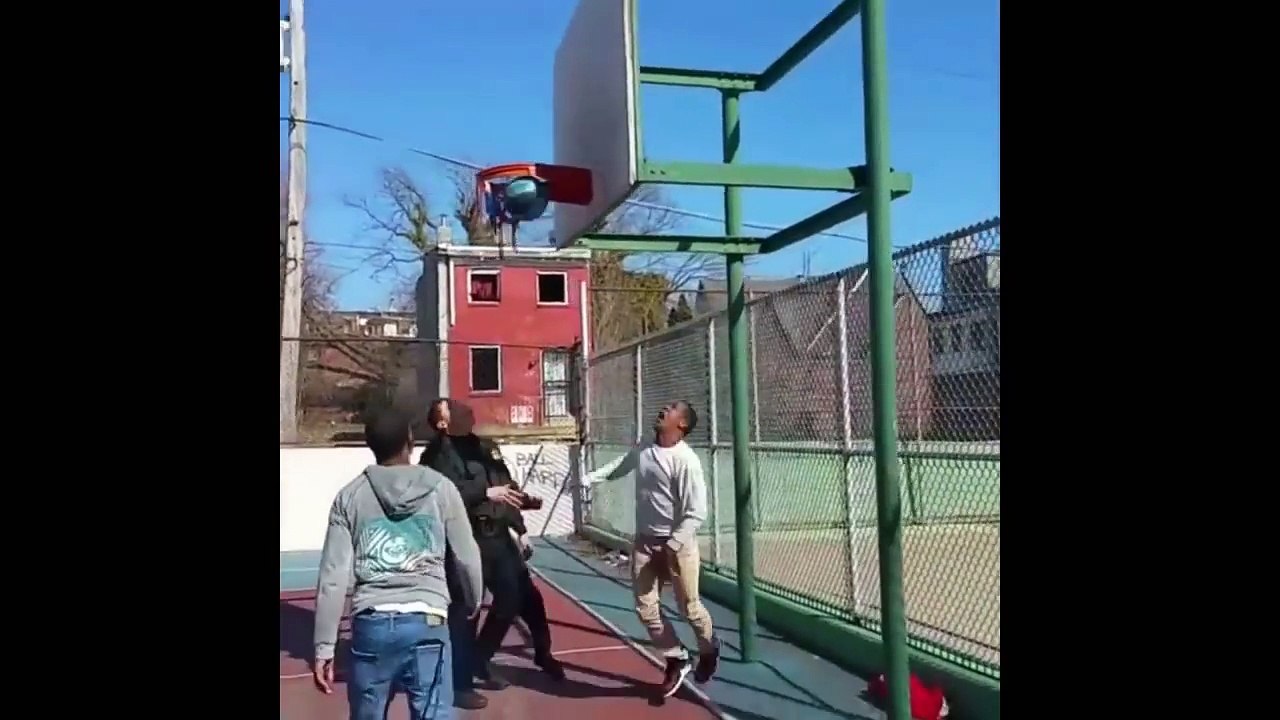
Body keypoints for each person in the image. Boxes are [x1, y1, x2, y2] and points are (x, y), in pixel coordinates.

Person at [312, 408, 484, 720]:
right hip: (428, 617)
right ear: (410, 442)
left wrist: (324, 645)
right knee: (434, 712)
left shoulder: (349, 497)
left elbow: (333, 577)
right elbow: (467, 554)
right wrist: (473, 600)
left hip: (372, 620)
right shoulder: (441, 487)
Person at [422, 398, 566, 687]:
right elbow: (445, 495)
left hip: (499, 536)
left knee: (526, 598)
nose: (462, 410)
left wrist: (520, 528)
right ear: (442, 423)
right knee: (469, 608)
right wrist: (485, 492)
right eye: (451, 408)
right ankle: (468, 668)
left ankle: (534, 654)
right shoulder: (435, 457)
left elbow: (507, 488)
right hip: (468, 539)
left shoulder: (484, 448)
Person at [583, 400, 722, 698]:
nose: (663, 410)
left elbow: (696, 512)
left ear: (682, 425)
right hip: (645, 542)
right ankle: (677, 657)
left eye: (672, 409)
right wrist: (588, 479)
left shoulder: (686, 461)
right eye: (664, 406)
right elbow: (622, 465)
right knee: (646, 608)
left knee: (690, 608)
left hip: (678, 546)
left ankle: (709, 648)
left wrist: (671, 545)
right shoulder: (646, 447)